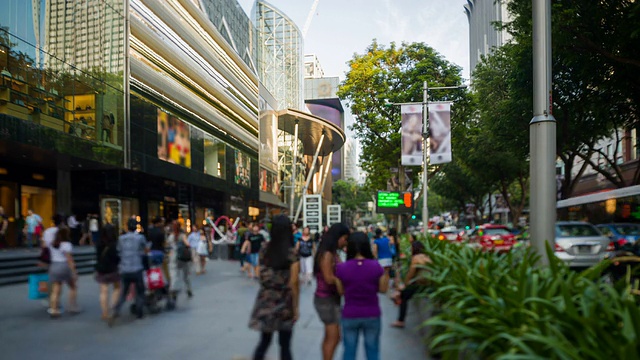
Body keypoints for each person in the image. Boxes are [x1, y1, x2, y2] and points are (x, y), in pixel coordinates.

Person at [249, 215, 300, 360]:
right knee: (285, 345)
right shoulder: (291, 253)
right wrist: (295, 308)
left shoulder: (265, 248)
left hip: (266, 299)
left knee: (264, 341)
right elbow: (294, 282)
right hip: (285, 301)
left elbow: (259, 272)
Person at [335, 232, 389, 360]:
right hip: (372, 313)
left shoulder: (341, 268)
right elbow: (383, 289)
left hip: (350, 314)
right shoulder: (376, 266)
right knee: (372, 351)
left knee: (349, 350)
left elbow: (341, 291)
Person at [313, 223, 351, 360]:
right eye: (345, 239)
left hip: (330, 299)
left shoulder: (332, 253)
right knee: (333, 337)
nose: (345, 242)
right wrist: (340, 282)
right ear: (338, 237)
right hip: (326, 299)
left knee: (333, 336)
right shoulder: (327, 254)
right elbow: (328, 278)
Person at [109, 217, 148, 325]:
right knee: (140, 291)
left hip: (125, 269)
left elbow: (118, 251)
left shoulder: (121, 238)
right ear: (136, 227)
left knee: (123, 293)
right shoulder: (140, 238)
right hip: (137, 268)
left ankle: (116, 310)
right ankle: (139, 312)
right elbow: (145, 250)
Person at [391, 241, 431, 328]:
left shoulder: (416, 258)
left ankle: (400, 320)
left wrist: (405, 285)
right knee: (402, 293)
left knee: (403, 295)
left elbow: (410, 274)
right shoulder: (427, 257)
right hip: (428, 285)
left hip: (419, 285)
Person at [47, 225, 81, 317]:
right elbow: (69, 259)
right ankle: (72, 306)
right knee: (73, 286)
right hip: (64, 266)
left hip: (54, 265)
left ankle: (54, 309)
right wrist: (74, 271)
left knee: (56, 289)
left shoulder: (52, 244)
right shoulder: (66, 245)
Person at [95, 224, 121, 321]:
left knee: (103, 291)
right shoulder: (114, 244)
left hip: (101, 270)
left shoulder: (99, 243)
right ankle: (112, 307)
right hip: (113, 269)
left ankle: (104, 313)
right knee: (117, 288)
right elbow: (117, 258)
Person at [168, 220, 193, 299]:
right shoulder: (182, 235)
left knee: (174, 274)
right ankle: (188, 289)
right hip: (182, 258)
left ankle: (173, 289)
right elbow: (188, 244)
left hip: (173, 257)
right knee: (185, 275)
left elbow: (167, 245)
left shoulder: (171, 236)